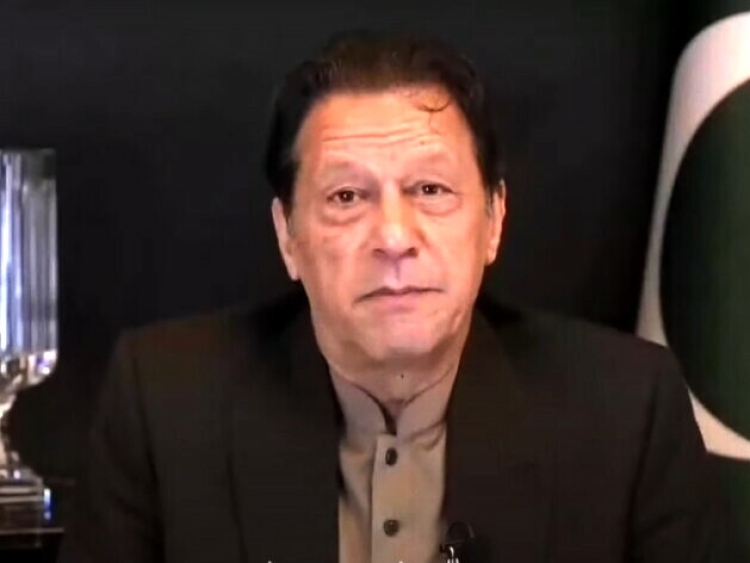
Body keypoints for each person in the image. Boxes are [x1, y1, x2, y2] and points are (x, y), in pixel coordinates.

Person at [58, 30, 720, 563]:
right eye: (347, 196)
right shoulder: (165, 405)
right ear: (288, 236)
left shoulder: (624, 411)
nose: (395, 237)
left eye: (431, 190)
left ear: (493, 221)